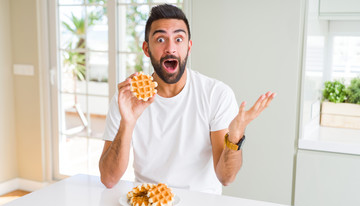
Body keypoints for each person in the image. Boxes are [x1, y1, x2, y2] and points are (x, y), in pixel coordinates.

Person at [99, 4, 275, 194]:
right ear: (146, 49)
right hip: (147, 204)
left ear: (189, 47)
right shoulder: (128, 99)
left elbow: (226, 177)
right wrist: (128, 122)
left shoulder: (216, 95)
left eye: (179, 39)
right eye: (160, 39)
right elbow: (109, 179)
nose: (170, 48)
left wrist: (235, 136)